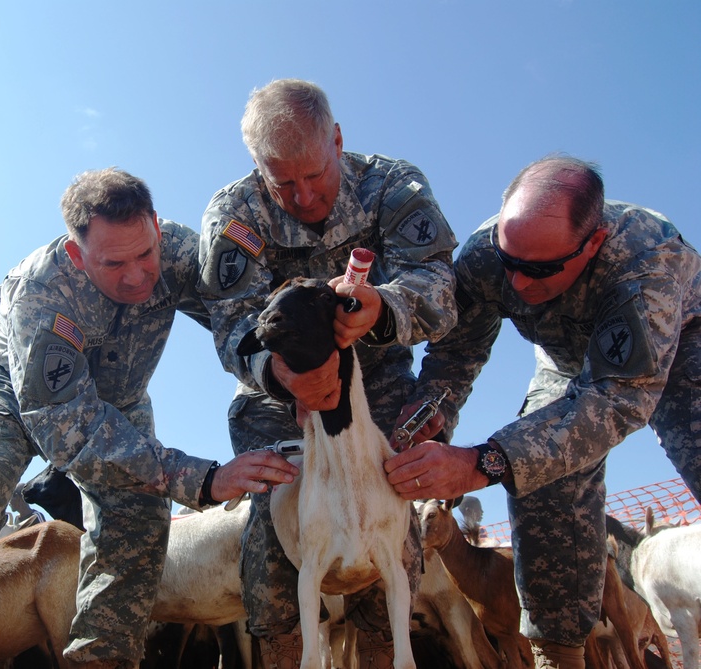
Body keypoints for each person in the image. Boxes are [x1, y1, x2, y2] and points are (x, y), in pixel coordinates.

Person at [0, 168, 300, 669]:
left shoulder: (181, 251)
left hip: (120, 397)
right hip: (16, 391)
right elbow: (67, 426)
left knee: (139, 518)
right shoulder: (43, 292)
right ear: (77, 254)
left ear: (157, 227)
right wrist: (202, 478)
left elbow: (239, 315)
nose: (138, 275)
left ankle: (101, 660)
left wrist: (284, 371)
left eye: (145, 253)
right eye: (114, 263)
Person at [384, 156, 701, 669]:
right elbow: (457, 350)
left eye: (542, 269)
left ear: (592, 243)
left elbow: (617, 397)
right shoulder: (489, 255)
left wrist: (481, 462)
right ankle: (557, 653)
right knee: (540, 479)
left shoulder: (647, 259)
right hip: (565, 362)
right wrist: (433, 410)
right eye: (513, 265)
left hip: (682, 351)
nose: (522, 285)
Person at [197, 79, 458, 668]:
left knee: (395, 528)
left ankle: (380, 648)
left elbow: (441, 289)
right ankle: (284, 653)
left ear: (337, 140)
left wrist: (384, 307)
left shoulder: (394, 187)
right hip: (274, 389)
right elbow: (231, 324)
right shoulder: (235, 214)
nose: (304, 195)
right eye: (283, 182)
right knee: (274, 521)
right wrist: (280, 375)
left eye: (315, 174)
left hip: (378, 376)